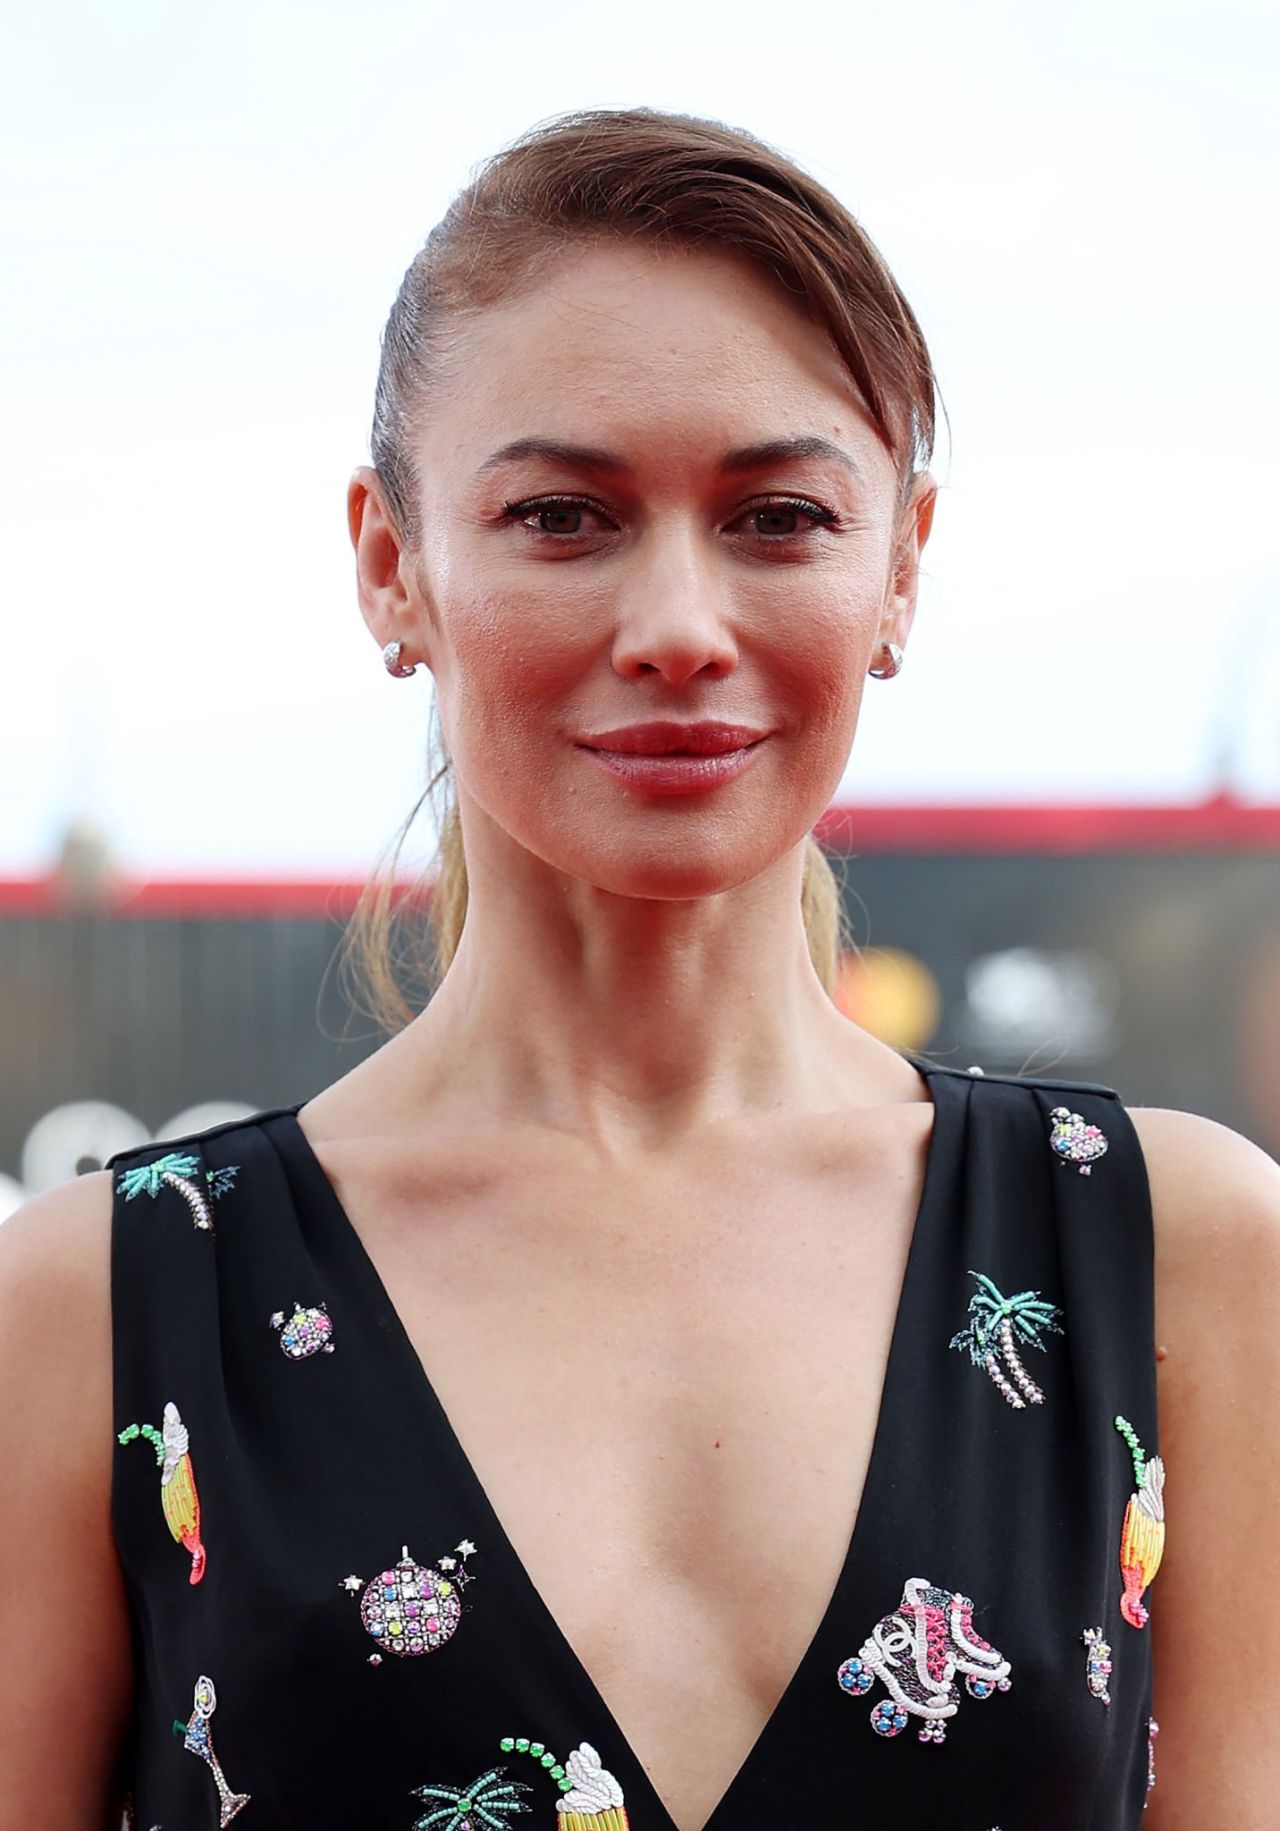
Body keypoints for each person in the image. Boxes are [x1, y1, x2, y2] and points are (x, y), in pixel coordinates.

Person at [1, 105, 1277, 1831]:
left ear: (900, 568)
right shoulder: (97, 1309)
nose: (679, 623)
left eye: (775, 516)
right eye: (561, 516)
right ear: (394, 569)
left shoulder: (1177, 1258)